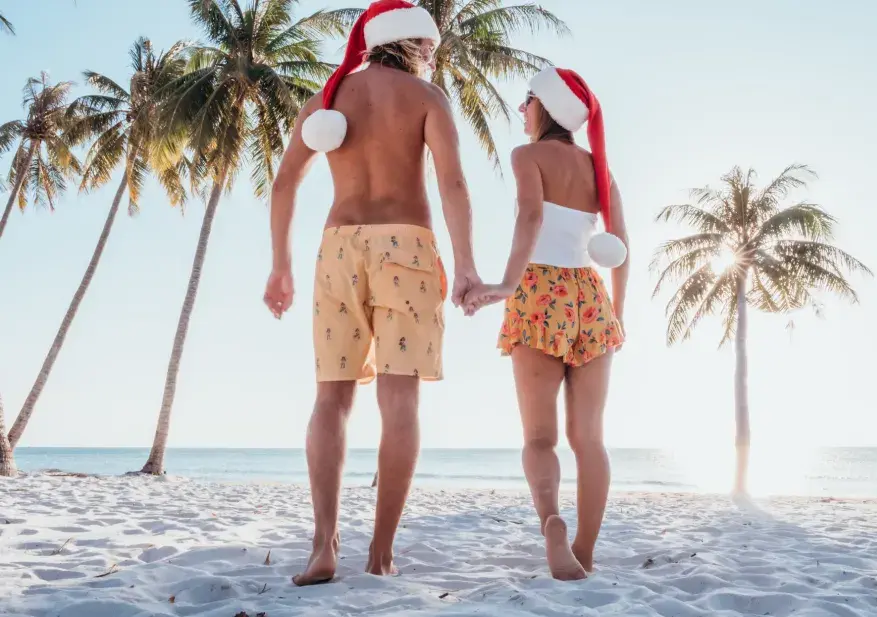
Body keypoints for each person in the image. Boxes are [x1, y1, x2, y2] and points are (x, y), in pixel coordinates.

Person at [264, 0, 479, 584]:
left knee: (330, 400)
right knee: (399, 403)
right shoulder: (427, 98)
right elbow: (453, 182)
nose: (433, 56)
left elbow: (284, 181)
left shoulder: (331, 98)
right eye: (430, 47)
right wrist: (464, 264)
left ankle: (323, 545)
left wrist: (280, 265)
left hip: (337, 247)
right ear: (414, 45)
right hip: (406, 247)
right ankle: (380, 554)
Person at [463, 67, 628, 580]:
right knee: (590, 440)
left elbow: (530, 219)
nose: (521, 110)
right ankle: (585, 549)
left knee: (539, 438)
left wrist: (507, 284)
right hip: (589, 298)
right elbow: (621, 247)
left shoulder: (527, 156)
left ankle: (553, 523)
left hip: (539, 292)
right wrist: (617, 317)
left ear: (546, 106)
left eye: (527, 99)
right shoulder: (599, 170)